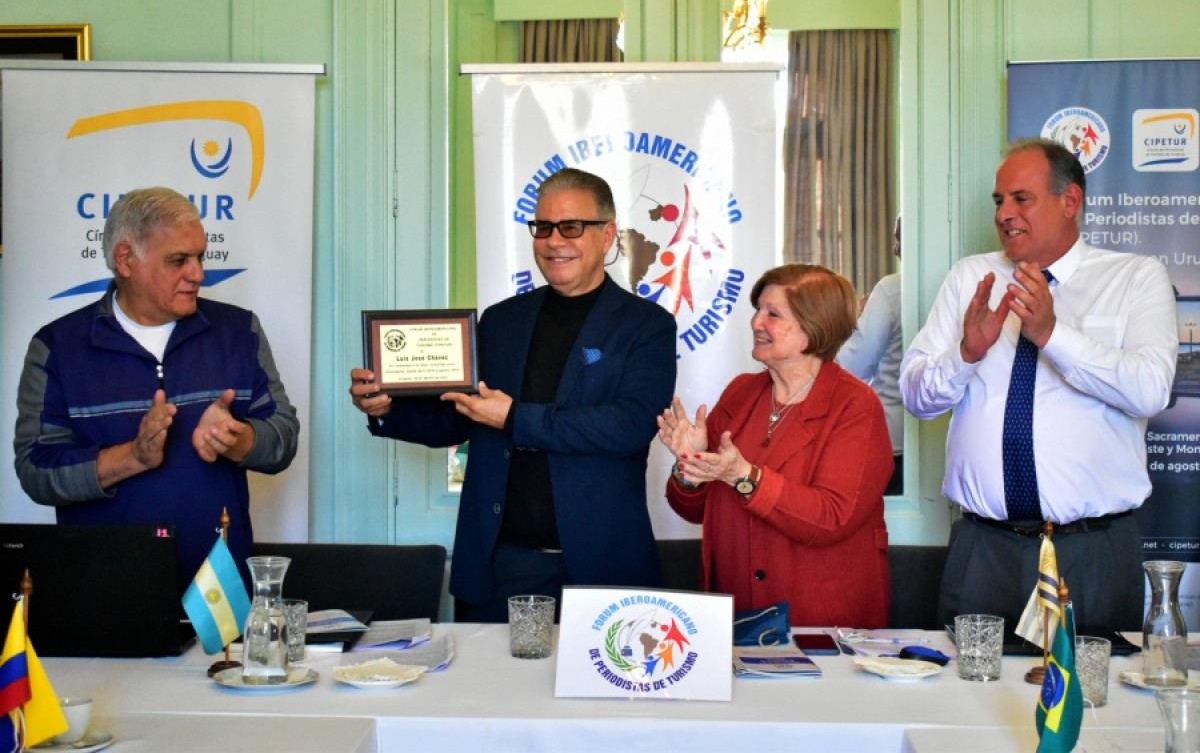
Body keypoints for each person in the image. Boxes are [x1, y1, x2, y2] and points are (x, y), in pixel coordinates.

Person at [349, 168, 677, 622]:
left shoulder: (647, 326)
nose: (553, 240)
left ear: (606, 236)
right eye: (542, 227)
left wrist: (514, 417)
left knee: (602, 693)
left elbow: (629, 426)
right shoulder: (502, 321)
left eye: (570, 227)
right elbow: (459, 417)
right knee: (487, 694)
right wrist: (387, 409)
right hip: (502, 565)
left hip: (601, 567)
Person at [900, 138, 1177, 631]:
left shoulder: (1135, 278)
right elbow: (918, 400)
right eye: (998, 201)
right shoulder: (971, 278)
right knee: (967, 702)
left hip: (1091, 551)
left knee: (1092, 706)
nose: (1004, 213)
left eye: (1020, 199)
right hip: (983, 550)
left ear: (1070, 201)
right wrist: (967, 354)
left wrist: (1052, 335)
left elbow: (1150, 389)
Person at [14, 187, 300, 591]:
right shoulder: (57, 347)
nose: (198, 273)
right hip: (103, 591)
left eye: (200, 257)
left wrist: (237, 440)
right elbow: (35, 470)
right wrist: (133, 456)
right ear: (126, 259)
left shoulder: (239, 331)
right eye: (179, 260)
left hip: (219, 595)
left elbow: (284, 436)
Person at [657, 263, 893, 628]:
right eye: (757, 311)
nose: (755, 323)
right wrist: (691, 466)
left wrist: (745, 476)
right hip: (732, 611)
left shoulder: (855, 405)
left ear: (815, 324)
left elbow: (831, 518)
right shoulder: (741, 392)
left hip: (820, 619)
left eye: (773, 314)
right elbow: (697, 509)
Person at [837, 215, 904, 495]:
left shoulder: (891, 290)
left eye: (900, 240)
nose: (895, 251)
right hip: (941, 444)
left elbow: (850, 368)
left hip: (891, 440)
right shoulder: (958, 284)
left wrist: (858, 322)